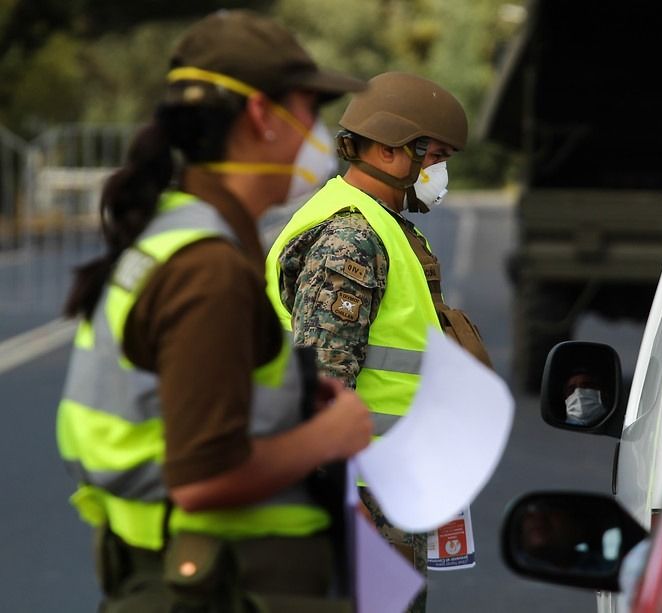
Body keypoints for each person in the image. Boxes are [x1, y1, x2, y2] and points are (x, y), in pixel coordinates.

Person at [55, 10, 373, 612]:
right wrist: (327, 437)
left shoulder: (182, 234)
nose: (317, 130)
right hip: (219, 589)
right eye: (308, 107)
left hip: (193, 580)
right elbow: (202, 478)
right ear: (262, 116)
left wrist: (290, 410)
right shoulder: (210, 269)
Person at [265, 71, 493, 613]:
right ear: (391, 151)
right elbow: (319, 388)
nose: (440, 171)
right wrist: (347, 513)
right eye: (435, 155)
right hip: (360, 493)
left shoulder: (382, 226)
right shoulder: (351, 238)